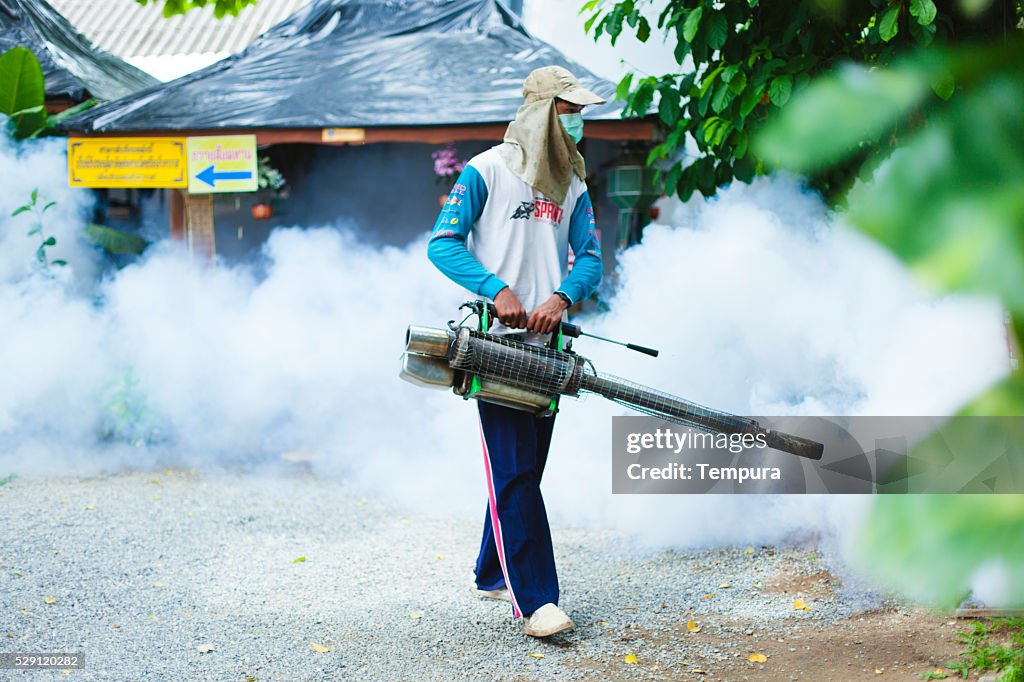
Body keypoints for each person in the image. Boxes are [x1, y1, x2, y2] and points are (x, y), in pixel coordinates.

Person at [426, 66, 605, 638]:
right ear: (540, 112)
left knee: (524, 469)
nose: (577, 122)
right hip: (494, 347)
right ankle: (536, 602)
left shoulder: (573, 185)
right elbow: (442, 244)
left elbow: (592, 260)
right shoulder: (485, 171)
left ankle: (489, 569)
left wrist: (561, 296)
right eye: (568, 110)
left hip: (548, 350)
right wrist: (496, 289)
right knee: (518, 472)